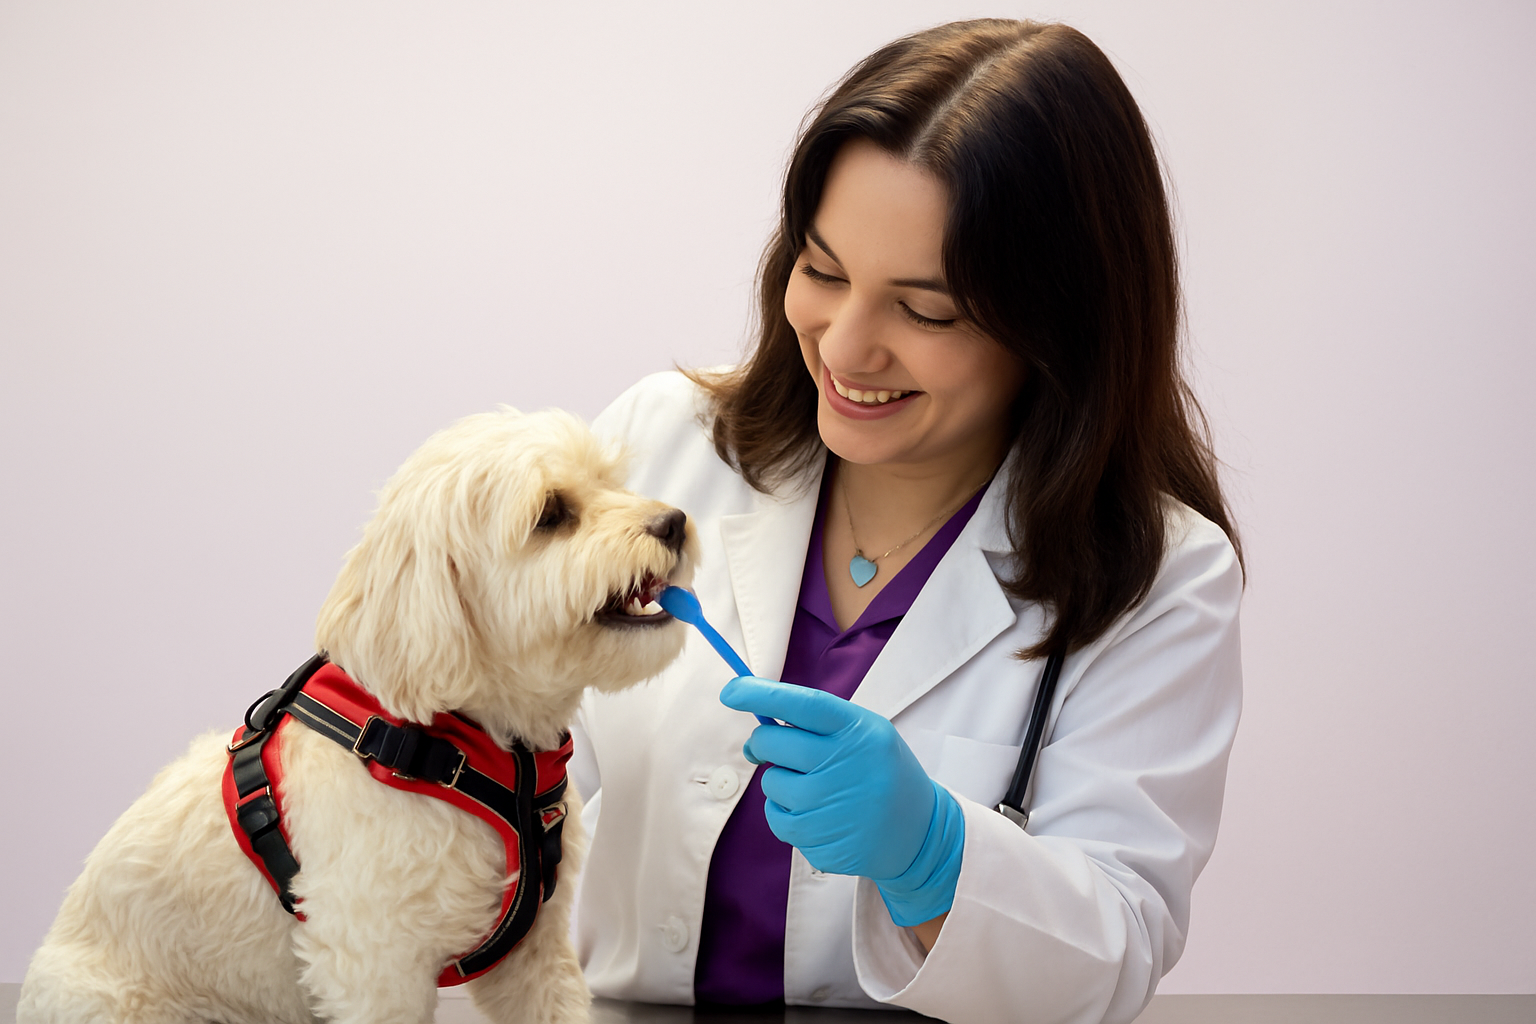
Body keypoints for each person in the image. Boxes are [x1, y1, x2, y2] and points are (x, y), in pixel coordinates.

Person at [567, 18, 1243, 1024]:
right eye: (824, 271)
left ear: (1060, 327)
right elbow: (515, 749)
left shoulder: (1156, 573)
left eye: (925, 312)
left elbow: (1115, 949)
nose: (845, 345)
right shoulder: (661, 445)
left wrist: (935, 852)